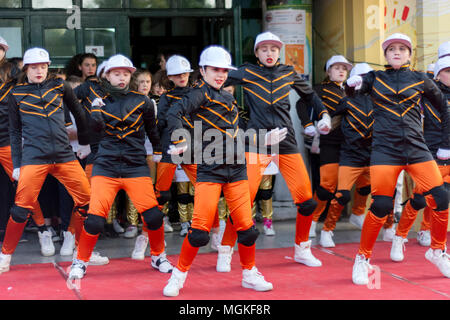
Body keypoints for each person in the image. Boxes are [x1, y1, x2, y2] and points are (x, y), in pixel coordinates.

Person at [162, 45, 273, 297]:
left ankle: (249, 273)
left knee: (247, 229)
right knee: (200, 232)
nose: (220, 75)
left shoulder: (229, 97)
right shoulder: (198, 94)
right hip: (210, 169)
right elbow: (174, 113)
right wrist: (181, 143)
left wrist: (261, 141)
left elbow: (234, 131)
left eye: (224, 70)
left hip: (236, 168)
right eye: (215, 70)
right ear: (202, 71)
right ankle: (177, 277)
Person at [218, 31, 331, 272]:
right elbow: (216, 80)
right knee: (242, 203)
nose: (269, 53)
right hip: (256, 143)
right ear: (257, 52)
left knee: (307, 202)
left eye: (274, 49)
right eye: (264, 49)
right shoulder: (246, 71)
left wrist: (323, 115)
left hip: (286, 141)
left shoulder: (288, 72)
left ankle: (302, 248)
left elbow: (310, 96)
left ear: (279, 52)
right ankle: (226, 249)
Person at [346, 33, 450, 284]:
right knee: (381, 205)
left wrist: (445, 145)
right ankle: (362, 258)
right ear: (385, 55)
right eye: (391, 49)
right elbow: (352, 96)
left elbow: (443, 108)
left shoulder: (421, 79)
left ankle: (437, 250)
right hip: (385, 150)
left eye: (402, 49)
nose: (396, 52)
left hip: (417, 149)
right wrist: (351, 85)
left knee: (441, 196)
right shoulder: (375, 78)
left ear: (409, 54)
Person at [68, 54, 172, 280]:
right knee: (94, 219)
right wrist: (94, 112)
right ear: (107, 75)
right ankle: (80, 260)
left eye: (126, 73)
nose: (122, 77)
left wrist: (157, 152)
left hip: (135, 166)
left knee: (154, 216)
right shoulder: (97, 99)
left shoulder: (142, 101)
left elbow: (152, 131)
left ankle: (158, 256)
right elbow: (92, 131)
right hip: (106, 165)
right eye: (117, 73)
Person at [0, 47, 91, 273]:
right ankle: (5, 255)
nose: (39, 71)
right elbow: (14, 131)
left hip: (63, 155)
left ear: (48, 67)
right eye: (34, 67)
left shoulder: (61, 86)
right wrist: (18, 164)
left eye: (43, 66)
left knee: (88, 202)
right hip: (34, 157)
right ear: (26, 69)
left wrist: (84, 142)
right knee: (21, 210)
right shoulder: (17, 93)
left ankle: (81, 249)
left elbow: (79, 113)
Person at [389, 56, 450, 261]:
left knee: (443, 200)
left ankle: (435, 246)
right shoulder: (427, 94)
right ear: (438, 74)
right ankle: (400, 236)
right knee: (419, 199)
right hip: (430, 154)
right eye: (447, 71)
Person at [316, 63, 374, 248]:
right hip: (350, 155)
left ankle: (366, 218)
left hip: (372, 154)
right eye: (361, 78)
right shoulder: (347, 101)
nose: (365, 82)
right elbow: (330, 119)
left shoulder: (379, 101)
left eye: (368, 78)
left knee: (373, 190)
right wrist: (320, 130)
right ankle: (327, 230)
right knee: (341, 195)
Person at [154, 55, 198, 236]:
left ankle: (214, 229)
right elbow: (161, 123)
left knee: (205, 188)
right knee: (161, 193)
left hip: (191, 147)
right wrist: (158, 148)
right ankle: (151, 232)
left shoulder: (198, 93)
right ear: (170, 77)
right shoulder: (166, 97)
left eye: (185, 73)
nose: (182, 77)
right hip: (170, 146)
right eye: (177, 74)